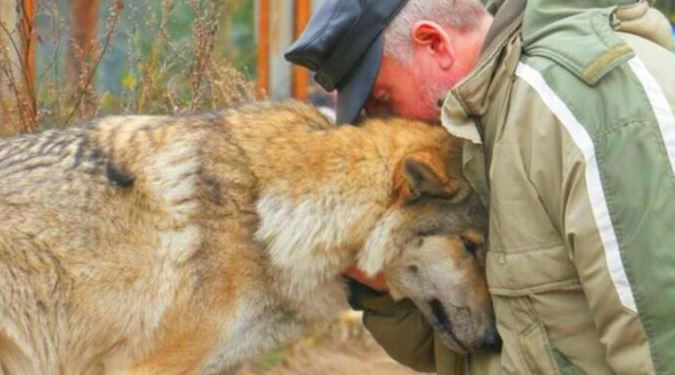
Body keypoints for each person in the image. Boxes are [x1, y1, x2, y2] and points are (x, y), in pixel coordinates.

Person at [286, 0, 675, 374]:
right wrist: (383, 288)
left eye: (385, 102)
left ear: (434, 44)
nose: (388, 127)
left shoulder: (579, 103)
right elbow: (494, 352)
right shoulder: (484, 131)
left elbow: (659, 339)